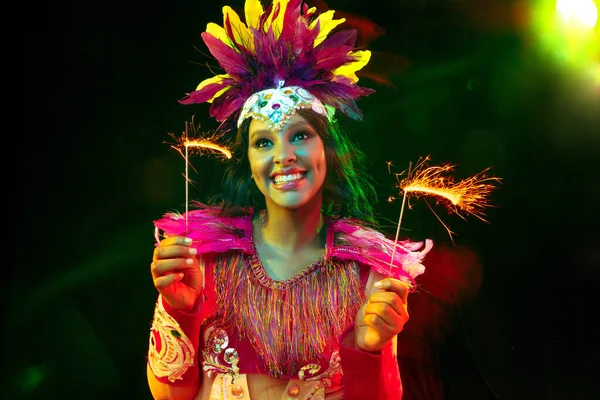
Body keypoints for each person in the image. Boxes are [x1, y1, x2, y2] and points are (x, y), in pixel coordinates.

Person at [146, 1, 433, 399]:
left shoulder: (369, 274)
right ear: (248, 160)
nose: (283, 156)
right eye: (264, 142)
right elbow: (167, 395)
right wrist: (180, 308)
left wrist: (370, 349)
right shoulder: (203, 256)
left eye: (299, 135)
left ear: (327, 150)